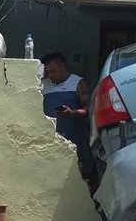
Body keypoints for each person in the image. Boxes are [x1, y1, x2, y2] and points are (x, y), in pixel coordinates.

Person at [40, 51, 97, 193]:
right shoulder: (42, 86)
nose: (50, 75)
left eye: (53, 71)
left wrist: (72, 113)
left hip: (76, 140)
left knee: (83, 178)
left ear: (62, 66)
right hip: (51, 143)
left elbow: (88, 109)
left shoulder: (77, 83)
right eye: (48, 72)